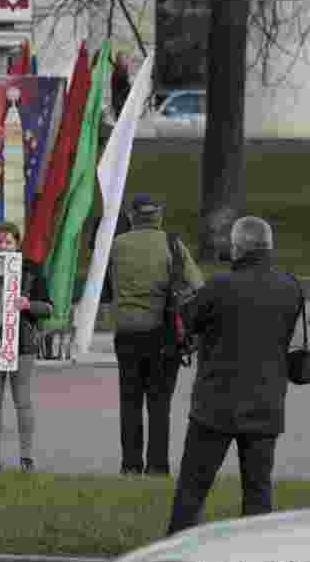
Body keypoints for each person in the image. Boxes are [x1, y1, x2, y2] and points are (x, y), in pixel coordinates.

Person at [166, 217, 303, 534]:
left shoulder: (219, 286)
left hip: (215, 406)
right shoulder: (291, 287)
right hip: (266, 406)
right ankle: (256, 555)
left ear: (237, 248)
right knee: (258, 491)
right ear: (269, 247)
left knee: (193, 488)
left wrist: (182, 300)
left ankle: (178, 548)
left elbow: (186, 323)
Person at [110, 194, 203, 476]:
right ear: (158, 216)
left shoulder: (116, 245)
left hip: (126, 332)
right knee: (159, 403)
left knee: (129, 401)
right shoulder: (172, 244)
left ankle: (130, 464)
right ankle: (157, 466)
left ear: (131, 216)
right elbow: (198, 286)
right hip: (164, 334)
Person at [0, 222, 53, 473]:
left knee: (23, 402)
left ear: (17, 244)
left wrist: (28, 304)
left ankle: (27, 458)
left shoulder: (32, 270)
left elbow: (48, 308)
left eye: (8, 242)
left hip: (22, 345)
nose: (3, 246)